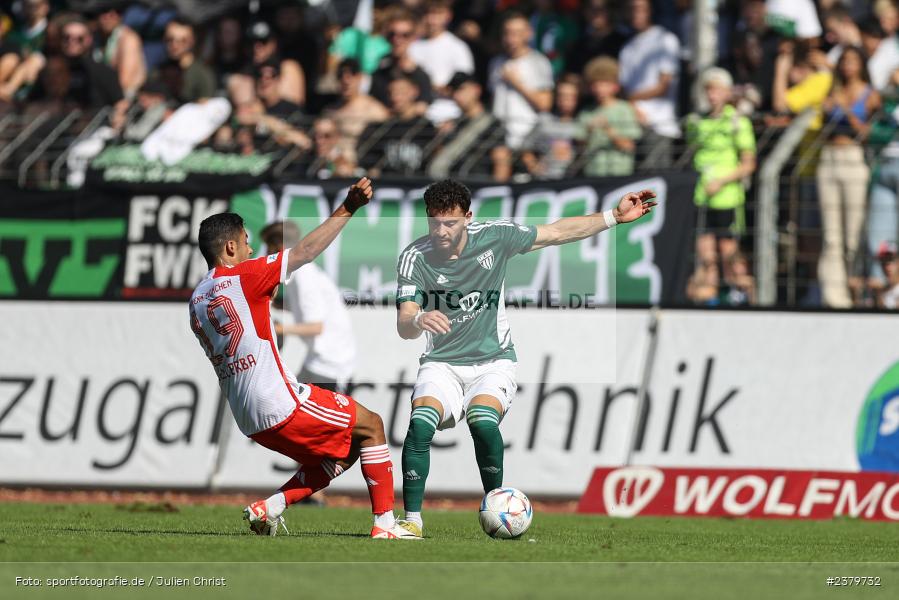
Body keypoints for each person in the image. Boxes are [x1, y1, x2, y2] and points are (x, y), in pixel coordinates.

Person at [390, 179, 657, 539]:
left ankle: (495, 505)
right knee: (420, 424)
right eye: (433, 222)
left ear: (468, 217)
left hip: (493, 361)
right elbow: (405, 325)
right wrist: (418, 318)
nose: (440, 230)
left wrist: (613, 217)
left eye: (450, 223)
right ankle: (412, 521)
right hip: (441, 364)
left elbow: (557, 232)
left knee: (483, 423)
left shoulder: (496, 236)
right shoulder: (414, 256)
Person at [189, 178, 404, 539]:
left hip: (246, 415)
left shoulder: (196, 298)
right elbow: (303, 251)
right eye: (245, 241)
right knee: (372, 425)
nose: (251, 247)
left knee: (346, 449)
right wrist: (347, 208)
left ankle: (269, 507)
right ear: (229, 247)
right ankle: (385, 525)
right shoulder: (247, 275)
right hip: (279, 401)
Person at [260, 220, 357, 392]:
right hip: (321, 360)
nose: (266, 254)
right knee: (292, 406)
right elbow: (302, 307)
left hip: (330, 365)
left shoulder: (304, 277)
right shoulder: (301, 273)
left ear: (279, 247)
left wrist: (279, 329)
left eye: (268, 248)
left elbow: (315, 327)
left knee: (297, 410)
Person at [817, 46, 880, 308]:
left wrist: (845, 108)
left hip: (854, 157)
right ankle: (835, 296)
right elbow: (822, 129)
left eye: (853, 61)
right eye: (844, 61)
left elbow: (868, 132)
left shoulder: (869, 94)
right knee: (831, 236)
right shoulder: (832, 91)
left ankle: (855, 291)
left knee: (853, 234)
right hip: (829, 157)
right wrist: (826, 109)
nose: (847, 66)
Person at [685, 68, 757, 277]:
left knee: (729, 252)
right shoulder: (696, 122)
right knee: (705, 253)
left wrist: (722, 181)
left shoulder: (738, 122)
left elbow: (749, 164)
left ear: (727, 92)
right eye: (708, 89)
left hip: (727, 197)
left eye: (717, 89)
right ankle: (709, 299)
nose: (711, 94)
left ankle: (742, 295)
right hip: (701, 195)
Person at [618, 0, 680, 168]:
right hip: (631, 125)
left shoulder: (665, 39)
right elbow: (623, 89)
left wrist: (631, 99)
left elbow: (663, 86)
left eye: (641, 8)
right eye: (631, 8)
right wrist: (633, 107)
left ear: (651, 11)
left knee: (655, 188)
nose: (636, 13)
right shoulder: (626, 48)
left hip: (659, 126)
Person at [487, 11, 553, 150]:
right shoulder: (496, 62)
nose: (511, 38)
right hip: (499, 134)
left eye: (517, 33)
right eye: (507, 33)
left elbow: (545, 104)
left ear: (528, 34)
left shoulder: (538, 62)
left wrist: (517, 83)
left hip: (527, 135)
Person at [575, 56, 641, 177]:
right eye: (595, 84)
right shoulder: (586, 111)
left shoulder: (624, 109)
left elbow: (629, 146)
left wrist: (608, 129)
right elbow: (579, 147)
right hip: (592, 172)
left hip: (620, 172)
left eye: (604, 83)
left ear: (615, 86)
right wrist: (588, 131)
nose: (599, 88)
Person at [370, 9, 433, 111]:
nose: (397, 40)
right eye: (392, 34)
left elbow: (421, 110)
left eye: (405, 35)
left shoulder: (421, 77)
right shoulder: (379, 73)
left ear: (413, 37)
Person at [408, 0, 474, 95]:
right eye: (428, 13)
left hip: (447, 106)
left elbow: (464, 77)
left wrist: (441, 88)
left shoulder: (457, 46)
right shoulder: (413, 46)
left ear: (448, 16)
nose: (431, 20)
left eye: (437, 14)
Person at [155, 18, 215, 103]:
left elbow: (206, 108)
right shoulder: (158, 70)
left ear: (192, 41)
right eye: (170, 39)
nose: (175, 45)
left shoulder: (202, 73)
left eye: (183, 41)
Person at [93, 3, 146, 97]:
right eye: (103, 12)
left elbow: (125, 81)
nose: (108, 17)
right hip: (106, 95)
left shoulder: (128, 39)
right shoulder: (96, 38)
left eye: (115, 12)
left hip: (127, 97)